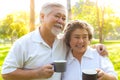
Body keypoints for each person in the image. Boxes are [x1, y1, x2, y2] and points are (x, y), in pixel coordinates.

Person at [1, 2, 107, 80]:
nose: (60, 21)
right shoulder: (23, 44)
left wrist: (97, 46)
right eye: (57, 16)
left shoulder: (63, 42)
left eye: (64, 18)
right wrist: (37, 73)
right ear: (42, 17)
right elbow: (6, 73)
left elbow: (79, 44)